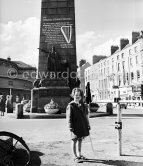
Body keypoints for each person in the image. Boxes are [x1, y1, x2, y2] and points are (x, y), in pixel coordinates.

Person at [66, 88, 90, 163]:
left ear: (81, 96)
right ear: (73, 95)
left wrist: (88, 124)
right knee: (74, 140)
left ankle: (79, 154)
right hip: (74, 126)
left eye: (79, 95)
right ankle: (74, 155)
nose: (77, 96)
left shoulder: (83, 105)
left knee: (80, 139)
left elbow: (86, 116)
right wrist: (70, 127)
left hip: (82, 125)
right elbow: (69, 117)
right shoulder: (71, 106)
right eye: (76, 95)